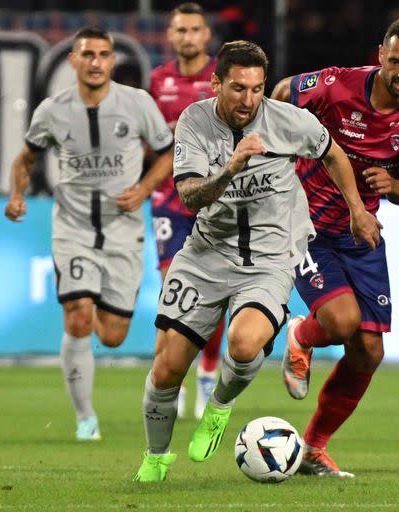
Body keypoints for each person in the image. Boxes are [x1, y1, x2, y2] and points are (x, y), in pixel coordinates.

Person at [133, 40, 381, 482]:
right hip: (206, 253)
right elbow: (189, 196)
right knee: (168, 367)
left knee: (244, 344)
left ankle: (220, 406)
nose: (248, 100)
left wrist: (357, 209)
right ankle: (155, 457)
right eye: (237, 88)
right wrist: (231, 167)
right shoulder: (193, 121)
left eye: (257, 89)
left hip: (269, 258)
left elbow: (333, 154)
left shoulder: (289, 121)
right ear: (216, 84)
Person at [271, 16, 399, 476]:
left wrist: (390, 184)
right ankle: (301, 336)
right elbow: (285, 90)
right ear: (380, 55)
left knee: (369, 352)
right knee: (343, 321)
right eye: (394, 61)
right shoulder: (336, 84)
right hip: (305, 223)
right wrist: (277, 149)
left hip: (360, 229)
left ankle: (312, 450)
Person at [4, 27, 175, 440]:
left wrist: (144, 189)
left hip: (123, 232)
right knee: (78, 316)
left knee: (113, 336)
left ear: (112, 61)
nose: (96, 61)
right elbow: (25, 159)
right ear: (73, 61)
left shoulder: (137, 104)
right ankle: (85, 418)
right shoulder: (53, 110)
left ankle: (96, 302)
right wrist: (16, 195)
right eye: (87, 54)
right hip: (74, 228)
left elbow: (169, 152)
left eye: (103, 54)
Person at [149, 2, 224, 421]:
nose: (188, 36)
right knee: (173, 292)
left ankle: (208, 375)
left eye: (195, 29)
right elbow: (155, 141)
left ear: (206, 36)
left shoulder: (221, 79)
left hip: (213, 199)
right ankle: (171, 376)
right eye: (181, 29)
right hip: (169, 199)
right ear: (171, 35)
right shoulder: (158, 80)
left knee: (213, 297)